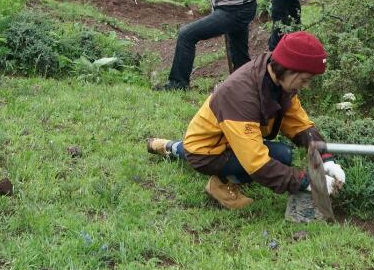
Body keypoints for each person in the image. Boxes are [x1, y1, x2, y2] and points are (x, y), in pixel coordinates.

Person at [147, 31, 344, 210]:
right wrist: (306, 181)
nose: (306, 86)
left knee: (282, 154)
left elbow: (299, 125)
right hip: (207, 151)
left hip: (218, 139)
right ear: (289, 69)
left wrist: (325, 158)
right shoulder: (241, 94)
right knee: (278, 156)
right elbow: (256, 164)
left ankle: (167, 146)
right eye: (305, 80)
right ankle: (220, 185)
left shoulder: (277, 78)